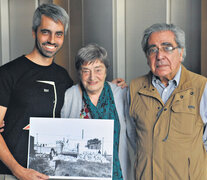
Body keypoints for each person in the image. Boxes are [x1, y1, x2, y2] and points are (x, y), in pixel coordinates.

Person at [0, 3, 73, 180]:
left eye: (59, 34)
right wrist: (18, 171)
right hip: (12, 174)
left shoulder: (64, 77)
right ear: (34, 32)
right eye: (45, 32)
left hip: (51, 175)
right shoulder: (8, 73)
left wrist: (112, 86)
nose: (52, 40)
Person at [128, 23, 207, 179]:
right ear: (147, 56)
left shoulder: (201, 87)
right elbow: (132, 137)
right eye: (153, 50)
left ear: (181, 52)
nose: (160, 56)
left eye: (167, 48)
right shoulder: (134, 88)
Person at [61, 43, 135, 180]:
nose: (92, 77)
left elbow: (134, 134)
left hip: (117, 173)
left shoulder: (122, 94)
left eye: (98, 70)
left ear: (106, 70)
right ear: (79, 73)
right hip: (80, 173)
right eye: (86, 71)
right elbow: (63, 134)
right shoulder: (70, 95)